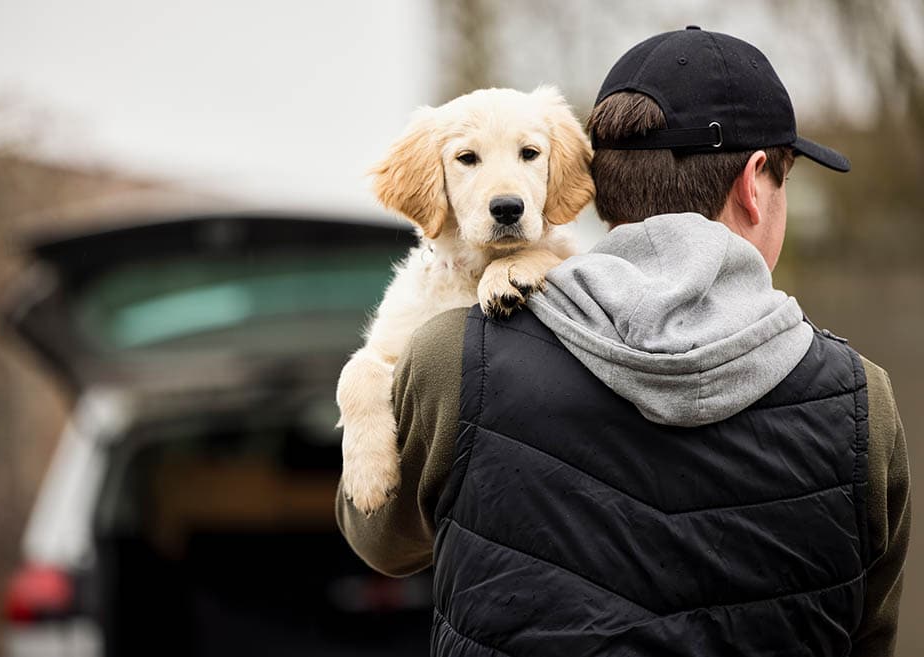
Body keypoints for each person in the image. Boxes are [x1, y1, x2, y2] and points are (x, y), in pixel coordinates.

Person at [336, 27, 910, 656]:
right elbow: (870, 636)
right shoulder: (862, 401)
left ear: (592, 185)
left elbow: (382, 541)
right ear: (754, 183)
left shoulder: (454, 356)